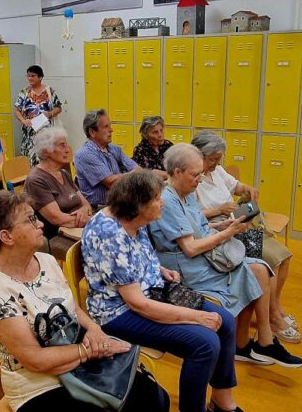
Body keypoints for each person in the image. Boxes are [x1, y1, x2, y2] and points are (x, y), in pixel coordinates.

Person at [0, 191, 169, 412]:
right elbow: (35, 360)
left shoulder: (46, 261)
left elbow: (71, 306)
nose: (40, 223)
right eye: (30, 220)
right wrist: (90, 351)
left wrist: (95, 330)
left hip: (73, 360)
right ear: (6, 237)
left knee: (155, 397)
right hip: (37, 384)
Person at [81, 170, 243, 412]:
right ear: (138, 204)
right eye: (157, 199)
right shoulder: (110, 234)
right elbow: (137, 304)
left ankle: (222, 400)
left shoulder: (135, 219)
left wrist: (159, 269)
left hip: (151, 290)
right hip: (118, 312)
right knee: (205, 343)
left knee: (226, 321)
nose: (162, 202)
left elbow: (139, 256)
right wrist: (198, 317)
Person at [151, 144, 302, 368]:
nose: (199, 180)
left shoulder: (186, 193)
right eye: (195, 175)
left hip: (204, 256)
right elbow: (190, 248)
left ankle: (254, 342)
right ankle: (255, 343)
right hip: (186, 267)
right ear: (177, 172)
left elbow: (201, 226)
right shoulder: (168, 201)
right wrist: (228, 234)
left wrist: (225, 225)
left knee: (260, 270)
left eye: (201, 174)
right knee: (255, 274)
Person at [190, 131, 301, 344]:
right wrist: (218, 210)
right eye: (212, 159)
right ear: (198, 155)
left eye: (218, 159)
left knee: (284, 256)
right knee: (271, 260)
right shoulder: (192, 178)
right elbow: (190, 216)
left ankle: (275, 307)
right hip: (220, 230)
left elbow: (237, 187)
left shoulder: (218, 171)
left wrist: (248, 190)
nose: (216, 164)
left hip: (236, 222)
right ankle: (272, 317)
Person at [23, 127, 91, 254]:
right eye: (62, 145)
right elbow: (57, 219)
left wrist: (83, 213)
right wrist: (88, 219)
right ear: (45, 152)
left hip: (75, 227)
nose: (67, 149)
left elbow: (86, 204)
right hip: (55, 235)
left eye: (66, 144)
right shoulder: (36, 179)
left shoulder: (64, 173)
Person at [74, 109, 158, 208]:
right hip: (99, 209)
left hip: (120, 204)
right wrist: (132, 174)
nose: (111, 130)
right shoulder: (85, 154)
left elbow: (138, 170)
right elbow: (111, 182)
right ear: (92, 132)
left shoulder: (114, 149)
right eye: (106, 126)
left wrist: (133, 173)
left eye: (110, 125)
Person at [13, 65, 63, 163]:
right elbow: (17, 110)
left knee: (46, 158)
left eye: (33, 76)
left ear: (40, 77)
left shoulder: (49, 91)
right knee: (30, 160)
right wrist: (23, 120)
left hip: (46, 133)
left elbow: (59, 108)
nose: (30, 78)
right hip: (29, 133)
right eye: (28, 76)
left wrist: (50, 113)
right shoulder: (24, 92)